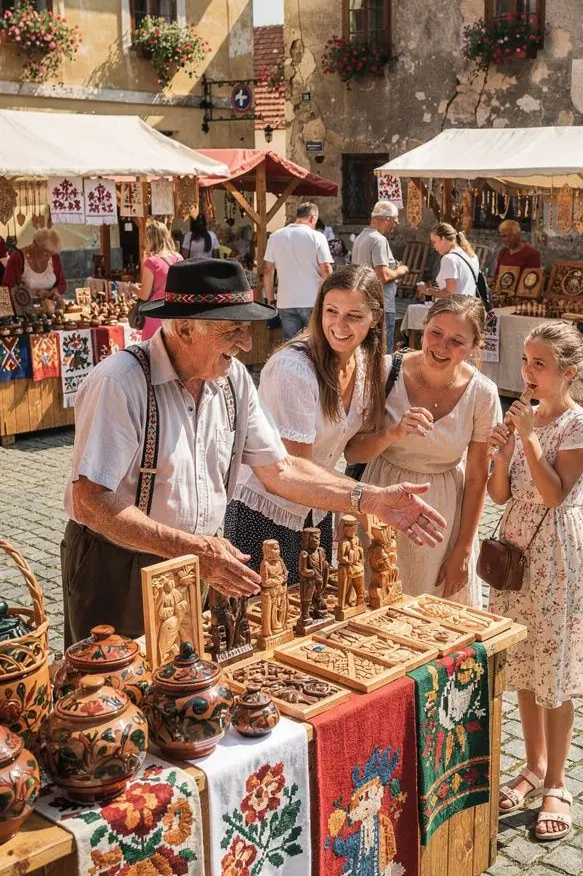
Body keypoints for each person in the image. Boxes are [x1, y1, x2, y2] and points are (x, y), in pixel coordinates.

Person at [60, 257, 446, 644]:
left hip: (197, 560)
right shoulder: (120, 383)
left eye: (246, 330)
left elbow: (282, 469)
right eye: (234, 330)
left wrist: (369, 498)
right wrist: (191, 548)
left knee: (190, 675)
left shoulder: (233, 381)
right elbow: (91, 501)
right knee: (114, 676)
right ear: (185, 328)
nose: (246, 344)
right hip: (119, 564)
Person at [488, 320, 583, 843]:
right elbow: (499, 495)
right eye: (526, 361)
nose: (528, 372)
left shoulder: (580, 426)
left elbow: (555, 495)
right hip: (515, 548)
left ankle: (557, 781)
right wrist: (501, 451)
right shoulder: (525, 418)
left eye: (540, 364)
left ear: (569, 371)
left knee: (554, 669)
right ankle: (532, 767)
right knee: (524, 665)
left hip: (556, 553)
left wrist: (528, 439)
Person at [225, 264, 387, 580]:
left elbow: (350, 450)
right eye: (331, 311)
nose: (339, 325)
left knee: (312, 603)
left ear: (376, 318)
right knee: (266, 605)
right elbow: (296, 466)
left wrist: (397, 431)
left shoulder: (364, 364)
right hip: (264, 512)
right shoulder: (293, 369)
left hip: (316, 507)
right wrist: (364, 500)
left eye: (354, 316)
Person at [346, 296, 500, 604]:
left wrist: (462, 550)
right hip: (382, 501)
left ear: (474, 346)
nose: (441, 347)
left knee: (434, 615)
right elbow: (352, 453)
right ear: (423, 327)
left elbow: (476, 478)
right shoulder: (386, 371)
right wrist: (394, 432)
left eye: (456, 341)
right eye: (436, 333)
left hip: (443, 515)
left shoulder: (483, 394)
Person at [263, 201, 332, 341]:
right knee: (315, 341)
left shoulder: (275, 236)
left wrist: (271, 298)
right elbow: (326, 269)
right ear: (312, 218)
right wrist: (328, 295)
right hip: (312, 299)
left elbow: (267, 269)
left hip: (286, 301)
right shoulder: (317, 237)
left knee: (291, 344)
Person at [351, 200, 408, 352]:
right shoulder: (378, 240)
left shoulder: (360, 237)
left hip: (364, 300)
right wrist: (400, 270)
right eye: (394, 221)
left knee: (366, 349)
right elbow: (382, 275)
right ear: (387, 219)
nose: (395, 225)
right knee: (383, 351)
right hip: (381, 304)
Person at [138, 219, 183, 342]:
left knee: (153, 351)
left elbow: (144, 295)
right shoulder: (179, 258)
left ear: (151, 239)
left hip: (155, 314)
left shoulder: (152, 262)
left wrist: (132, 289)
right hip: (174, 315)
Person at [418, 223, 479, 300]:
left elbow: (450, 293)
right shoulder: (471, 256)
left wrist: (428, 291)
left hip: (454, 306)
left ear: (443, 239)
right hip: (469, 305)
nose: (434, 246)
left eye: (434, 242)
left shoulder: (449, 259)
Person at [3, 227, 67, 300]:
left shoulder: (54, 257)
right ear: (35, 245)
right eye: (46, 252)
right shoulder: (18, 258)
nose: (49, 256)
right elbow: (7, 288)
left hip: (49, 304)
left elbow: (62, 284)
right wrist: (35, 292)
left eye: (51, 253)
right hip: (24, 304)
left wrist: (56, 291)